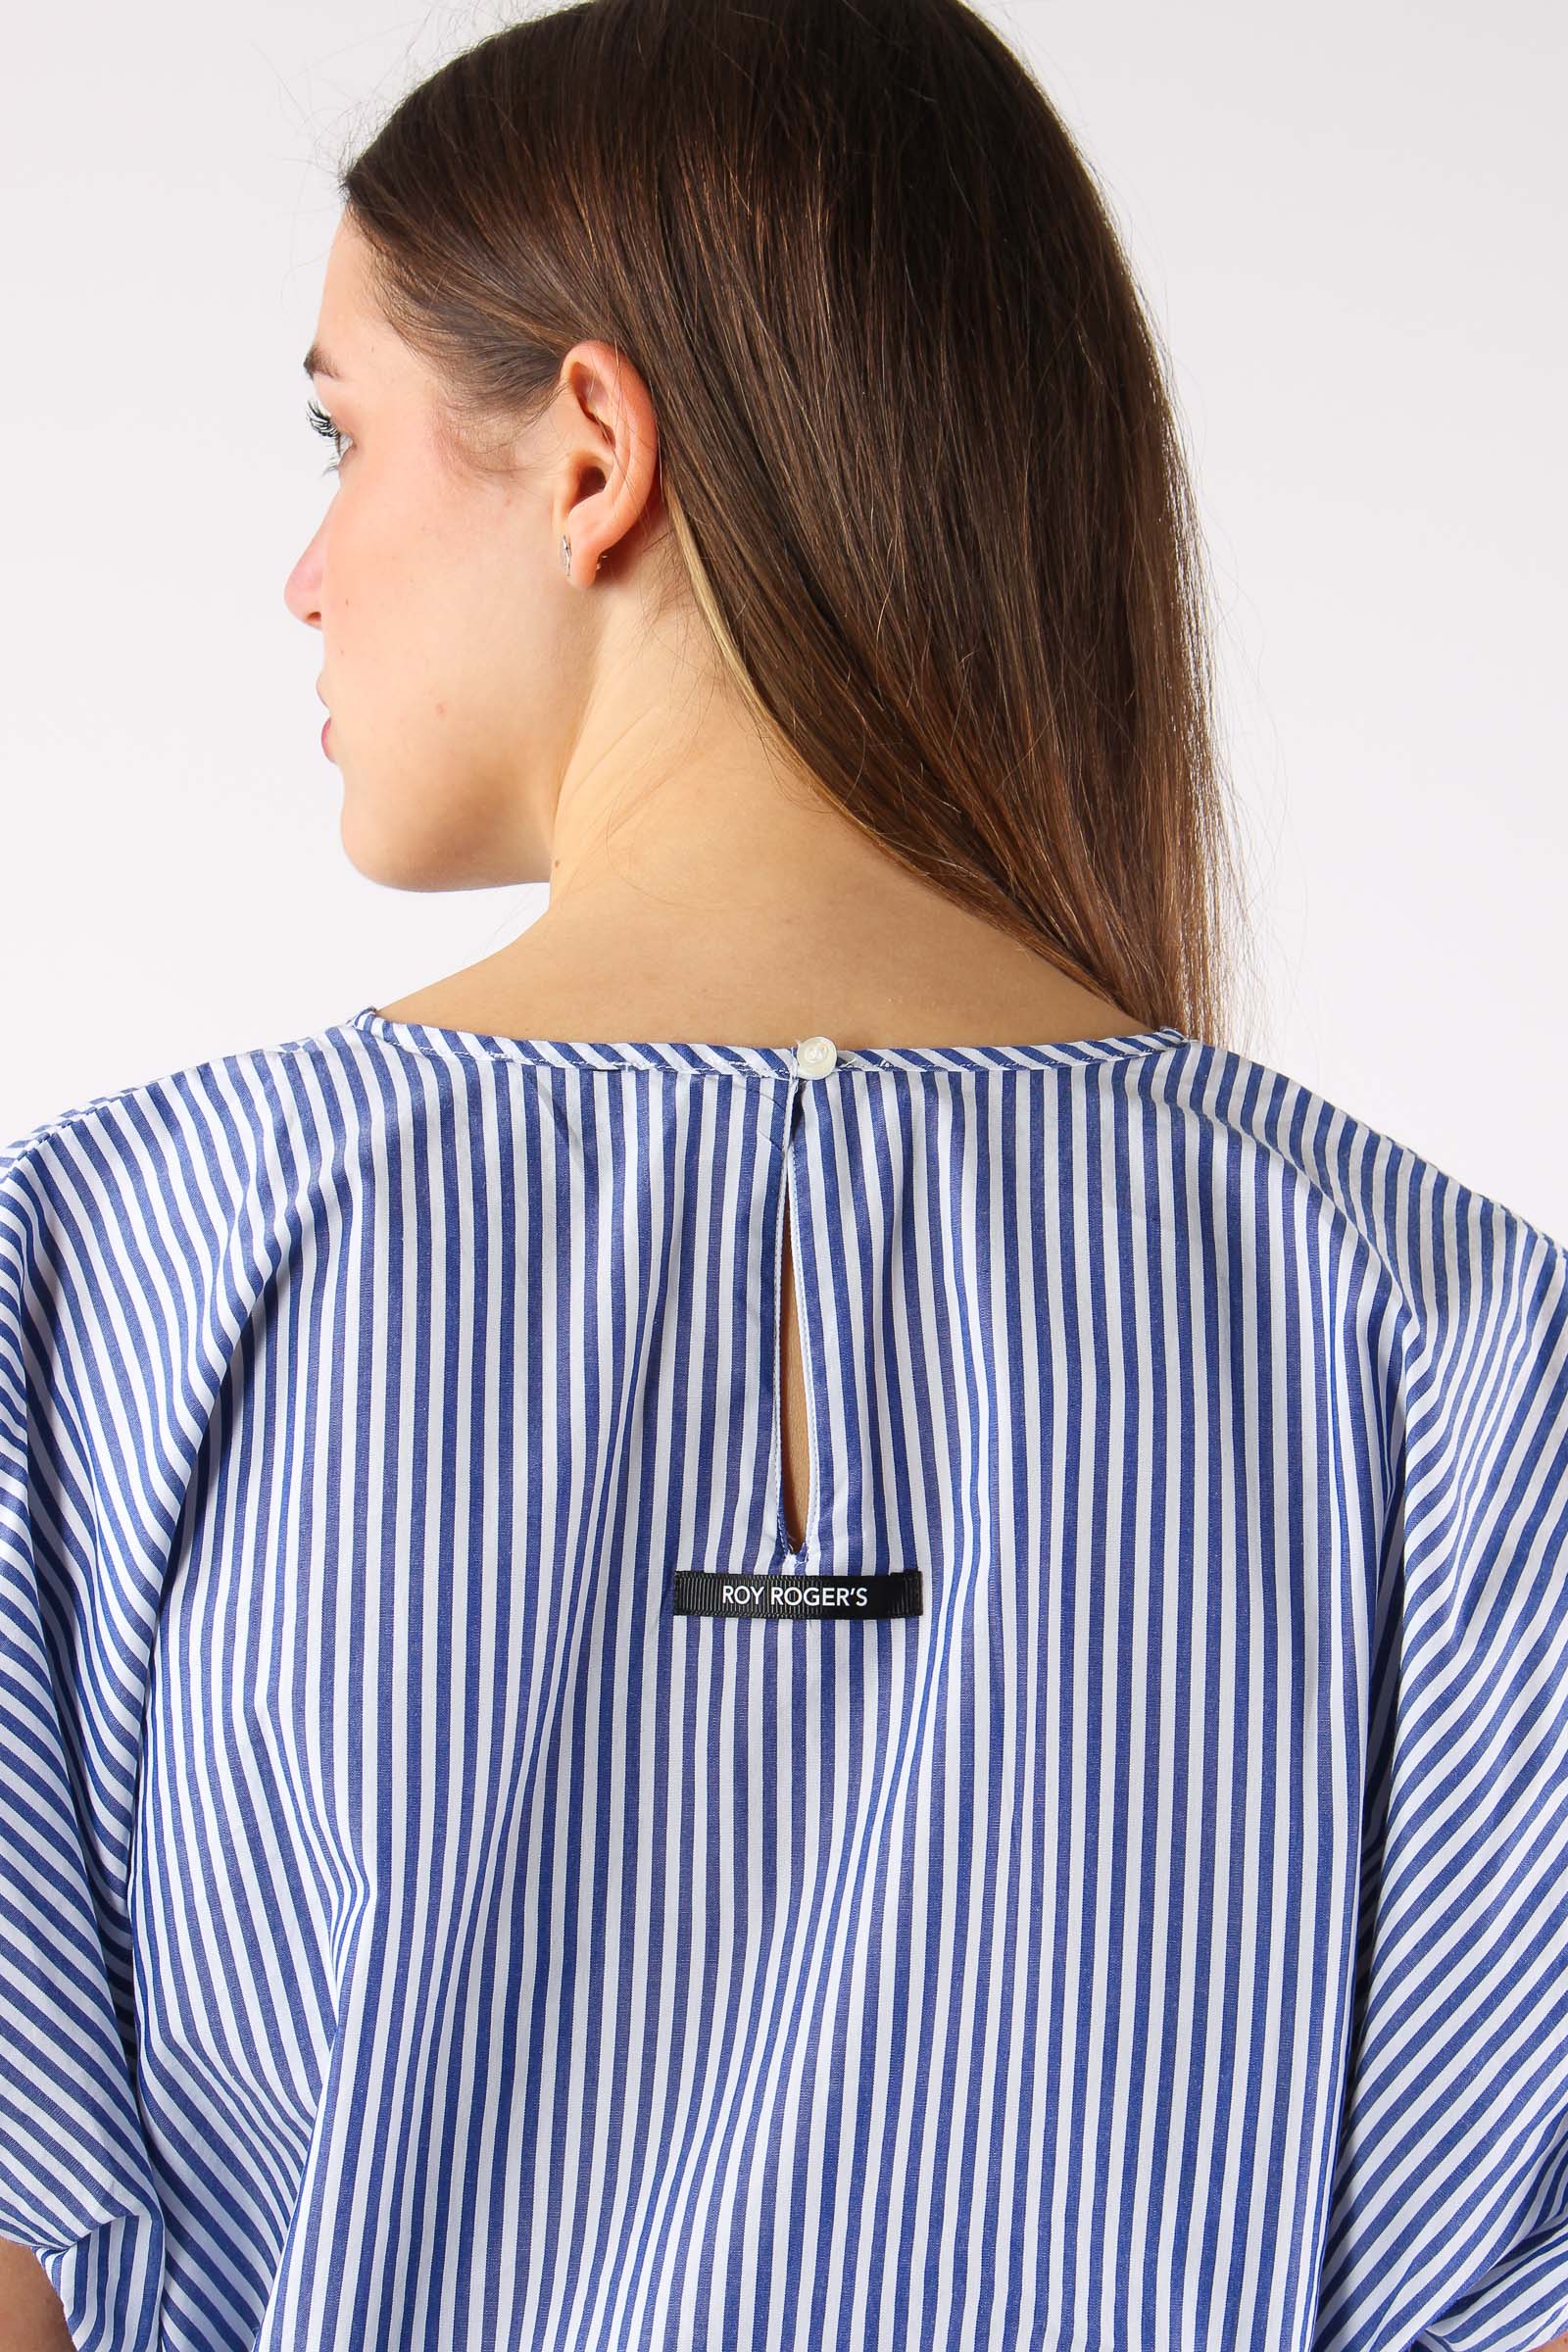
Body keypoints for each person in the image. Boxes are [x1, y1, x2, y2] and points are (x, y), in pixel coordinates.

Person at [3, 2, 1566, 2347]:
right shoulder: (1435, 1332)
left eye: (338, 435)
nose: (305, 575)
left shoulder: (113, 1269)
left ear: (590, 451)